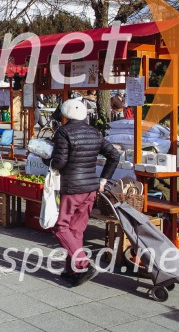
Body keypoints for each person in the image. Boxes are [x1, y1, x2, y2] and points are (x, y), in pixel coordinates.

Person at [45, 99, 119, 287]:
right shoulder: (94, 132)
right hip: (90, 188)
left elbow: (60, 162)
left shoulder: (63, 132)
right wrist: (103, 179)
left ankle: (82, 265)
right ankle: (72, 271)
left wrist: (46, 159)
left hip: (72, 187)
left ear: (65, 114)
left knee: (61, 228)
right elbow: (114, 155)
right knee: (76, 230)